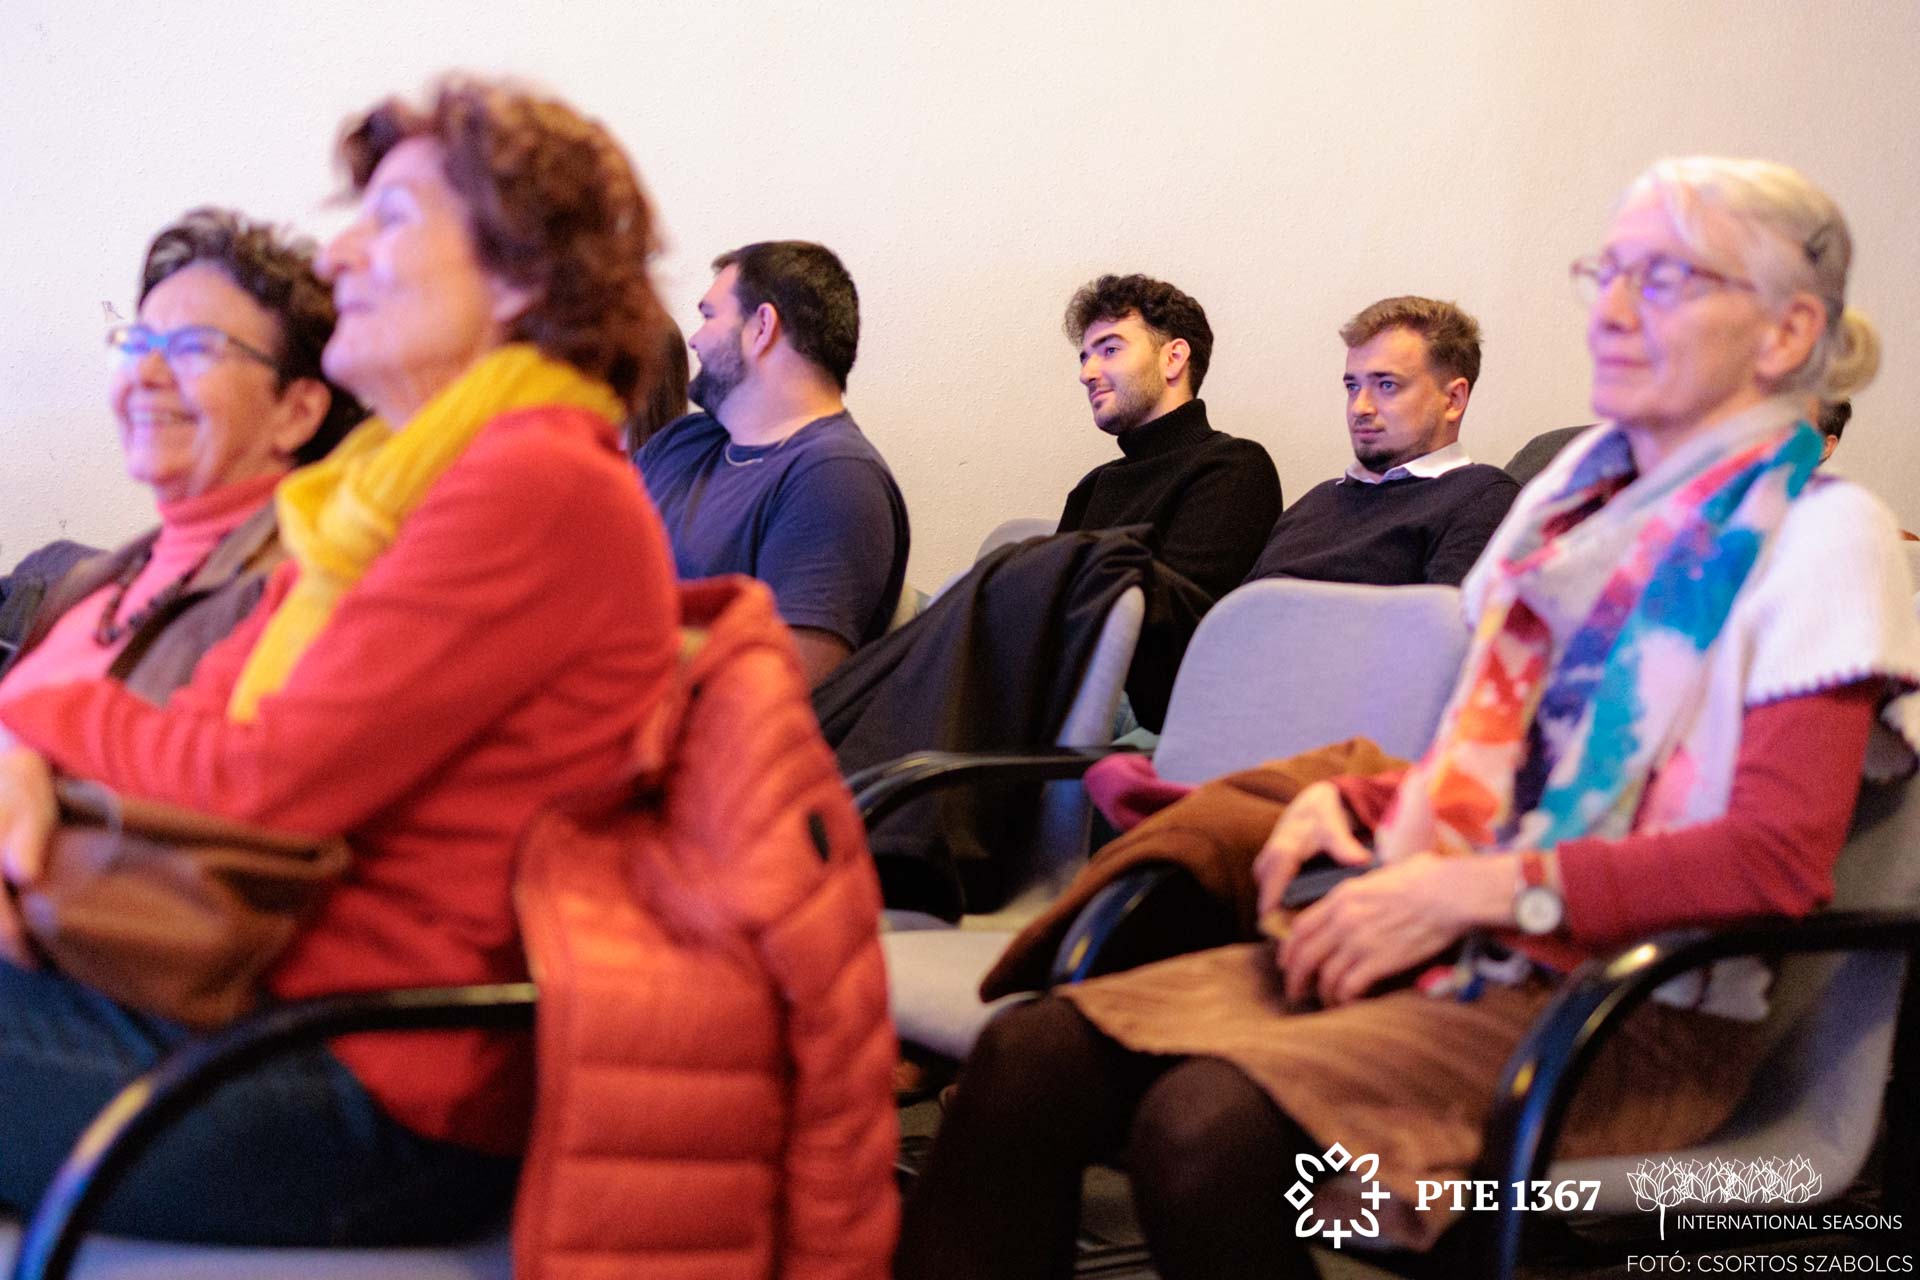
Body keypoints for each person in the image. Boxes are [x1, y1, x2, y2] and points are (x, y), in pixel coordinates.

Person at [896, 157, 1920, 1279]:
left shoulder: (1823, 536)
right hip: (1461, 953)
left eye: (1667, 280)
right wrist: (1364, 801)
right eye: (1611, 272)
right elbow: (1505, 773)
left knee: (1206, 1132)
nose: (1616, 309)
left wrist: (1469, 889)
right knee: (1028, 1056)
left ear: (1787, 332)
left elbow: (1771, 862)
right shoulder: (1574, 512)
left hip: (1631, 1013)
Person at [0, 80, 682, 1245]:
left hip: (369, 1086)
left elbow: (255, 779)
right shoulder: (402, 490)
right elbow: (217, 725)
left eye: (393, 216)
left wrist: (36, 715)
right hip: (262, 1017)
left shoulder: (533, 481)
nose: (340, 252)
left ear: (522, 276)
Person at [0, 208, 364, 704]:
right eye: (138, 343)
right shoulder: (93, 581)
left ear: (296, 412)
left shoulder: (297, 595)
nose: (146, 373)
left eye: (193, 347)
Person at [636, 241, 909, 684]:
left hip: (676, 721)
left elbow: (783, 682)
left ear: (762, 326)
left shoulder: (835, 480)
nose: (694, 340)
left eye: (709, 316)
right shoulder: (681, 442)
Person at [1245, 296, 1519, 588]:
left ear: (1453, 399)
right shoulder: (1317, 501)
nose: (1360, 407)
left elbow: (1447, 616)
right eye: (1353, 386)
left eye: (1387, 385)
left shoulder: (1482, 497)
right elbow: (1234, 610)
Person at [1055, 273, 1281, 603]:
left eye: (1110, 349)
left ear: (1173, 359)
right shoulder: (1092, 486)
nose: (1086, 374)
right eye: (1086, 357)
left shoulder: (1233, 468)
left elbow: (1177, 618)